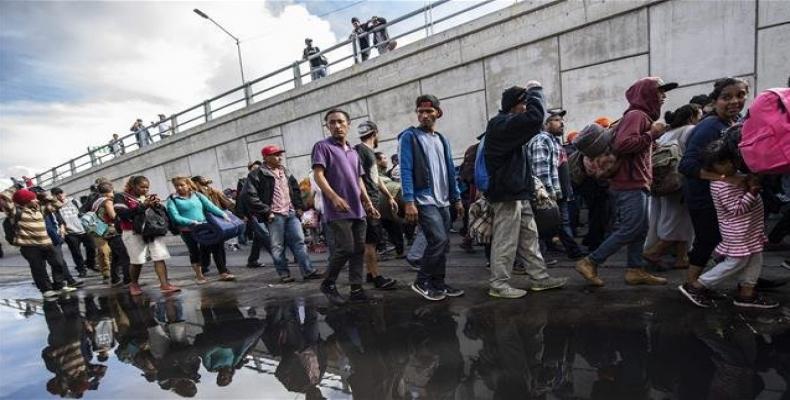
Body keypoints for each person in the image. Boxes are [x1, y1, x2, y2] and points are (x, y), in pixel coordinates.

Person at [575, 77, 677, 287]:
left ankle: (635, 269)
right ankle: (590, 261)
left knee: (640, 228)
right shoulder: (637, 115)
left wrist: (649, 142)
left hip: (637, 181)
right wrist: (652, 134)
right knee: (631, 227)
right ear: (646, 94)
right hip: (629, 182)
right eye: (660, 92)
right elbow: (623, 144)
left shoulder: (639, 116)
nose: (663, 96)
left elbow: (632, 146)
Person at [484, 84, 568, 298]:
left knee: (529, 237)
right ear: (514, 106)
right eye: (523, 103)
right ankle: (498, 284)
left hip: (519, 192)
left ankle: (540, 278)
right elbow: (535, 118)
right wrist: (535, 91)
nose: (526, 108)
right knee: (506, 240)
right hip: (506, 194)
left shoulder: (510, 127)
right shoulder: (500, 124)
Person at [679, 139, 778, 309]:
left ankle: (747, 292)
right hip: (738, 231)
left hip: (750, 229)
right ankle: (698, 285)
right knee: (736, 262)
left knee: (755, 258)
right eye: (722, 163)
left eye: (730, 160)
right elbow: (736, 210)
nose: (729, 165)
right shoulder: (720, 185)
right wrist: (752, 192)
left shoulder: (736, 175)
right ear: (712, 167)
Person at [678, 77, 750, 285]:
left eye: (740, 95)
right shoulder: (709, 127)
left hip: (721, 197)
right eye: (726, 97)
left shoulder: (733, 123)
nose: (734, 101)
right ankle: (692, 284)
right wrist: (728, 178)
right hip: (702, 197)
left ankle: (747, 280)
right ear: (716, 100)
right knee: (707, 240)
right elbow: (686, 166)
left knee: (729, 240)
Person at [398, 95, 465, 301]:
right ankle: (421, 280)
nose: (424, 115)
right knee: (438, 240)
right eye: (420, 112)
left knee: (443, 245)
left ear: (438, 113)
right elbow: (406, 170)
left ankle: (438, 283)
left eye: (429, 111)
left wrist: (457, 198)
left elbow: (449, 172)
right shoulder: (410, 137)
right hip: (424, 199)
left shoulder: (441, 139)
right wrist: (409, 201)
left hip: (443, 200)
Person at [312, 109, 379, 305]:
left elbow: (358, 180)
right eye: (332, 123)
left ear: (348, 125)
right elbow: (318, 175)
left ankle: (356, 289)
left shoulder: (353, 151)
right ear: (327, 126)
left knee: (358, 249)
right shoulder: (322, 147)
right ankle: (328, 282)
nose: (337, 126)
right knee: (346, 248)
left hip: (357, 209)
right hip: (337, 209)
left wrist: (367, 202)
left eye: (341, 122)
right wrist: (333, 197)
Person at [243, 145, 322, 282]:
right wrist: (266, 211)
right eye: (275, 155)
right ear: (266, 158)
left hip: (290, 213)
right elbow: (249, 195)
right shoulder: (257, 174)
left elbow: (295, 189)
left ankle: (308, 271)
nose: (279, 157)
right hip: (274, 215)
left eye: (280, 154)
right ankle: (284, 274)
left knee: (300, 242)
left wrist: (298, 207)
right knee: (277, 246)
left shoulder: (285, 171)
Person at [643, 103, 702, 268]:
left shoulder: (666, 134)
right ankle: (654, 252)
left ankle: (681, 258)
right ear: (691, 117)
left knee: (678, 220)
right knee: (677, 220)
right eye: (699, 115)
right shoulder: (690, 130)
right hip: (680, 182)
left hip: (664, 184)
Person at [528, 108, 586, 259]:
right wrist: (548, 193)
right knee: (547, 224)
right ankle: (571, 253)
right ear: (546, 123)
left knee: (557, 224)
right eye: (556, 120)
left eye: (562, 121)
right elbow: (540, 169)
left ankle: (556, 250)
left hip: (557, 192)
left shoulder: (554, 141)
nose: (562, 124)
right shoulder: (542, 140)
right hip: (548, 193)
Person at [115, 175, 179, 296]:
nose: (145, 189)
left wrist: (157, 205)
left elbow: (157, 213)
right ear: (133, 186)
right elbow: (123, 214)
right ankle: (134, 284)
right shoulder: (121, 196)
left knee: (159, 256)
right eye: (142, 187)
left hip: (152, 230)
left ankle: (165, 285)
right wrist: (144, 205)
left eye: (147, 187)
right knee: (137, 260)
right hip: (132, 232)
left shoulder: (146, 197)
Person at [166, 176, 235, 284]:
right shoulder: (172, 199)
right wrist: (191, 222)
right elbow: (175, 216)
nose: (179, 188)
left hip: (204, 227)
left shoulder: (197, 195)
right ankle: (199, 276)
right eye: (176, 186)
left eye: (182, 185)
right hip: (188, 230)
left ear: (188, 185)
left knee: (216, 246)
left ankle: (223, 272)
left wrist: (223, 214)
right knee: (195, 252)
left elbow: (210, 206)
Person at [355, 121, 399, 290]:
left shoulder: (369, 152)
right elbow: (358, 178)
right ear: (375, 133)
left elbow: (377, 177)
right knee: (370, 242)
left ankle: (370, 273)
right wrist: (367, 202)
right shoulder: (360, 151)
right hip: (369, 201)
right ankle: (376, 277)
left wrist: (389, 196)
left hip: (373, 199)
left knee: (373, 239)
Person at [10, 189, 76, 299]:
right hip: (30, 247)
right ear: (26, 201)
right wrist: (14, 189)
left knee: (58, 263)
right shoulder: (16, 213)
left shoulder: (40, 209)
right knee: (38, 268)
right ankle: (46, 289)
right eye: (33, 198)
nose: (36, 200)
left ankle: (59, 284)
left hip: (46, 243)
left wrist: (46, 196)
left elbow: (59, 204)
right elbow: (6, 203)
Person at [192, 175, 235, 275]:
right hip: (209, 222)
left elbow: (227, 204)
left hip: (212, 222)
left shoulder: (201, 194)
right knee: (207, 245)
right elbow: (227, 204)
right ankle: (208, 267)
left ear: (196, 183)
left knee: (215, 245)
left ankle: (221, 269)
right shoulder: (210, 192)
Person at [51, 187, 96, 278]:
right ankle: (81, 270)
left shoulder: (74, 201)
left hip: (83, 229)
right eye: (57, 194)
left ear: (64, 193)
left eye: (61, 193)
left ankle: (90, 264)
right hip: (70, 233)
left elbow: (82, 212)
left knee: (91, 247)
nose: (60, 195)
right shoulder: (54, 206)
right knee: (76, 253)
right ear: (54, 196)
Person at [92, 181, 130, 286]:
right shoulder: (107, 201)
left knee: (116, 256)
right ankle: (128, 280)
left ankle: (115, 279)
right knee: (124, 255)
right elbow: (114, 216)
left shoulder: (97, 202)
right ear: (111, 189)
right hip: (113, 232)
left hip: (104, 232)